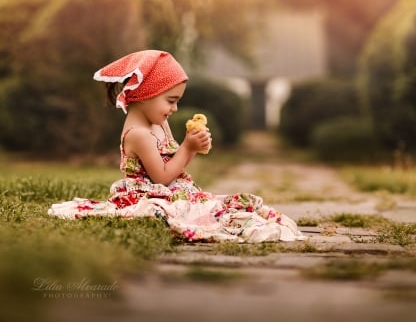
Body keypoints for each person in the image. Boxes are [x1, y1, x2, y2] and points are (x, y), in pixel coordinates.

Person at [48, 50, 305, 243]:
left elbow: (175, 165)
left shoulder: (159, 124)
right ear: (144, 94)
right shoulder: (138, 134)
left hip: (175, 190)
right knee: (194, 213)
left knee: (222, 206)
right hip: (152, 194)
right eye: (171, 101)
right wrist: (187, 149)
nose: (175, 108)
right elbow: (161, 177)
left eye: (177, 101)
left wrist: (194, 146)